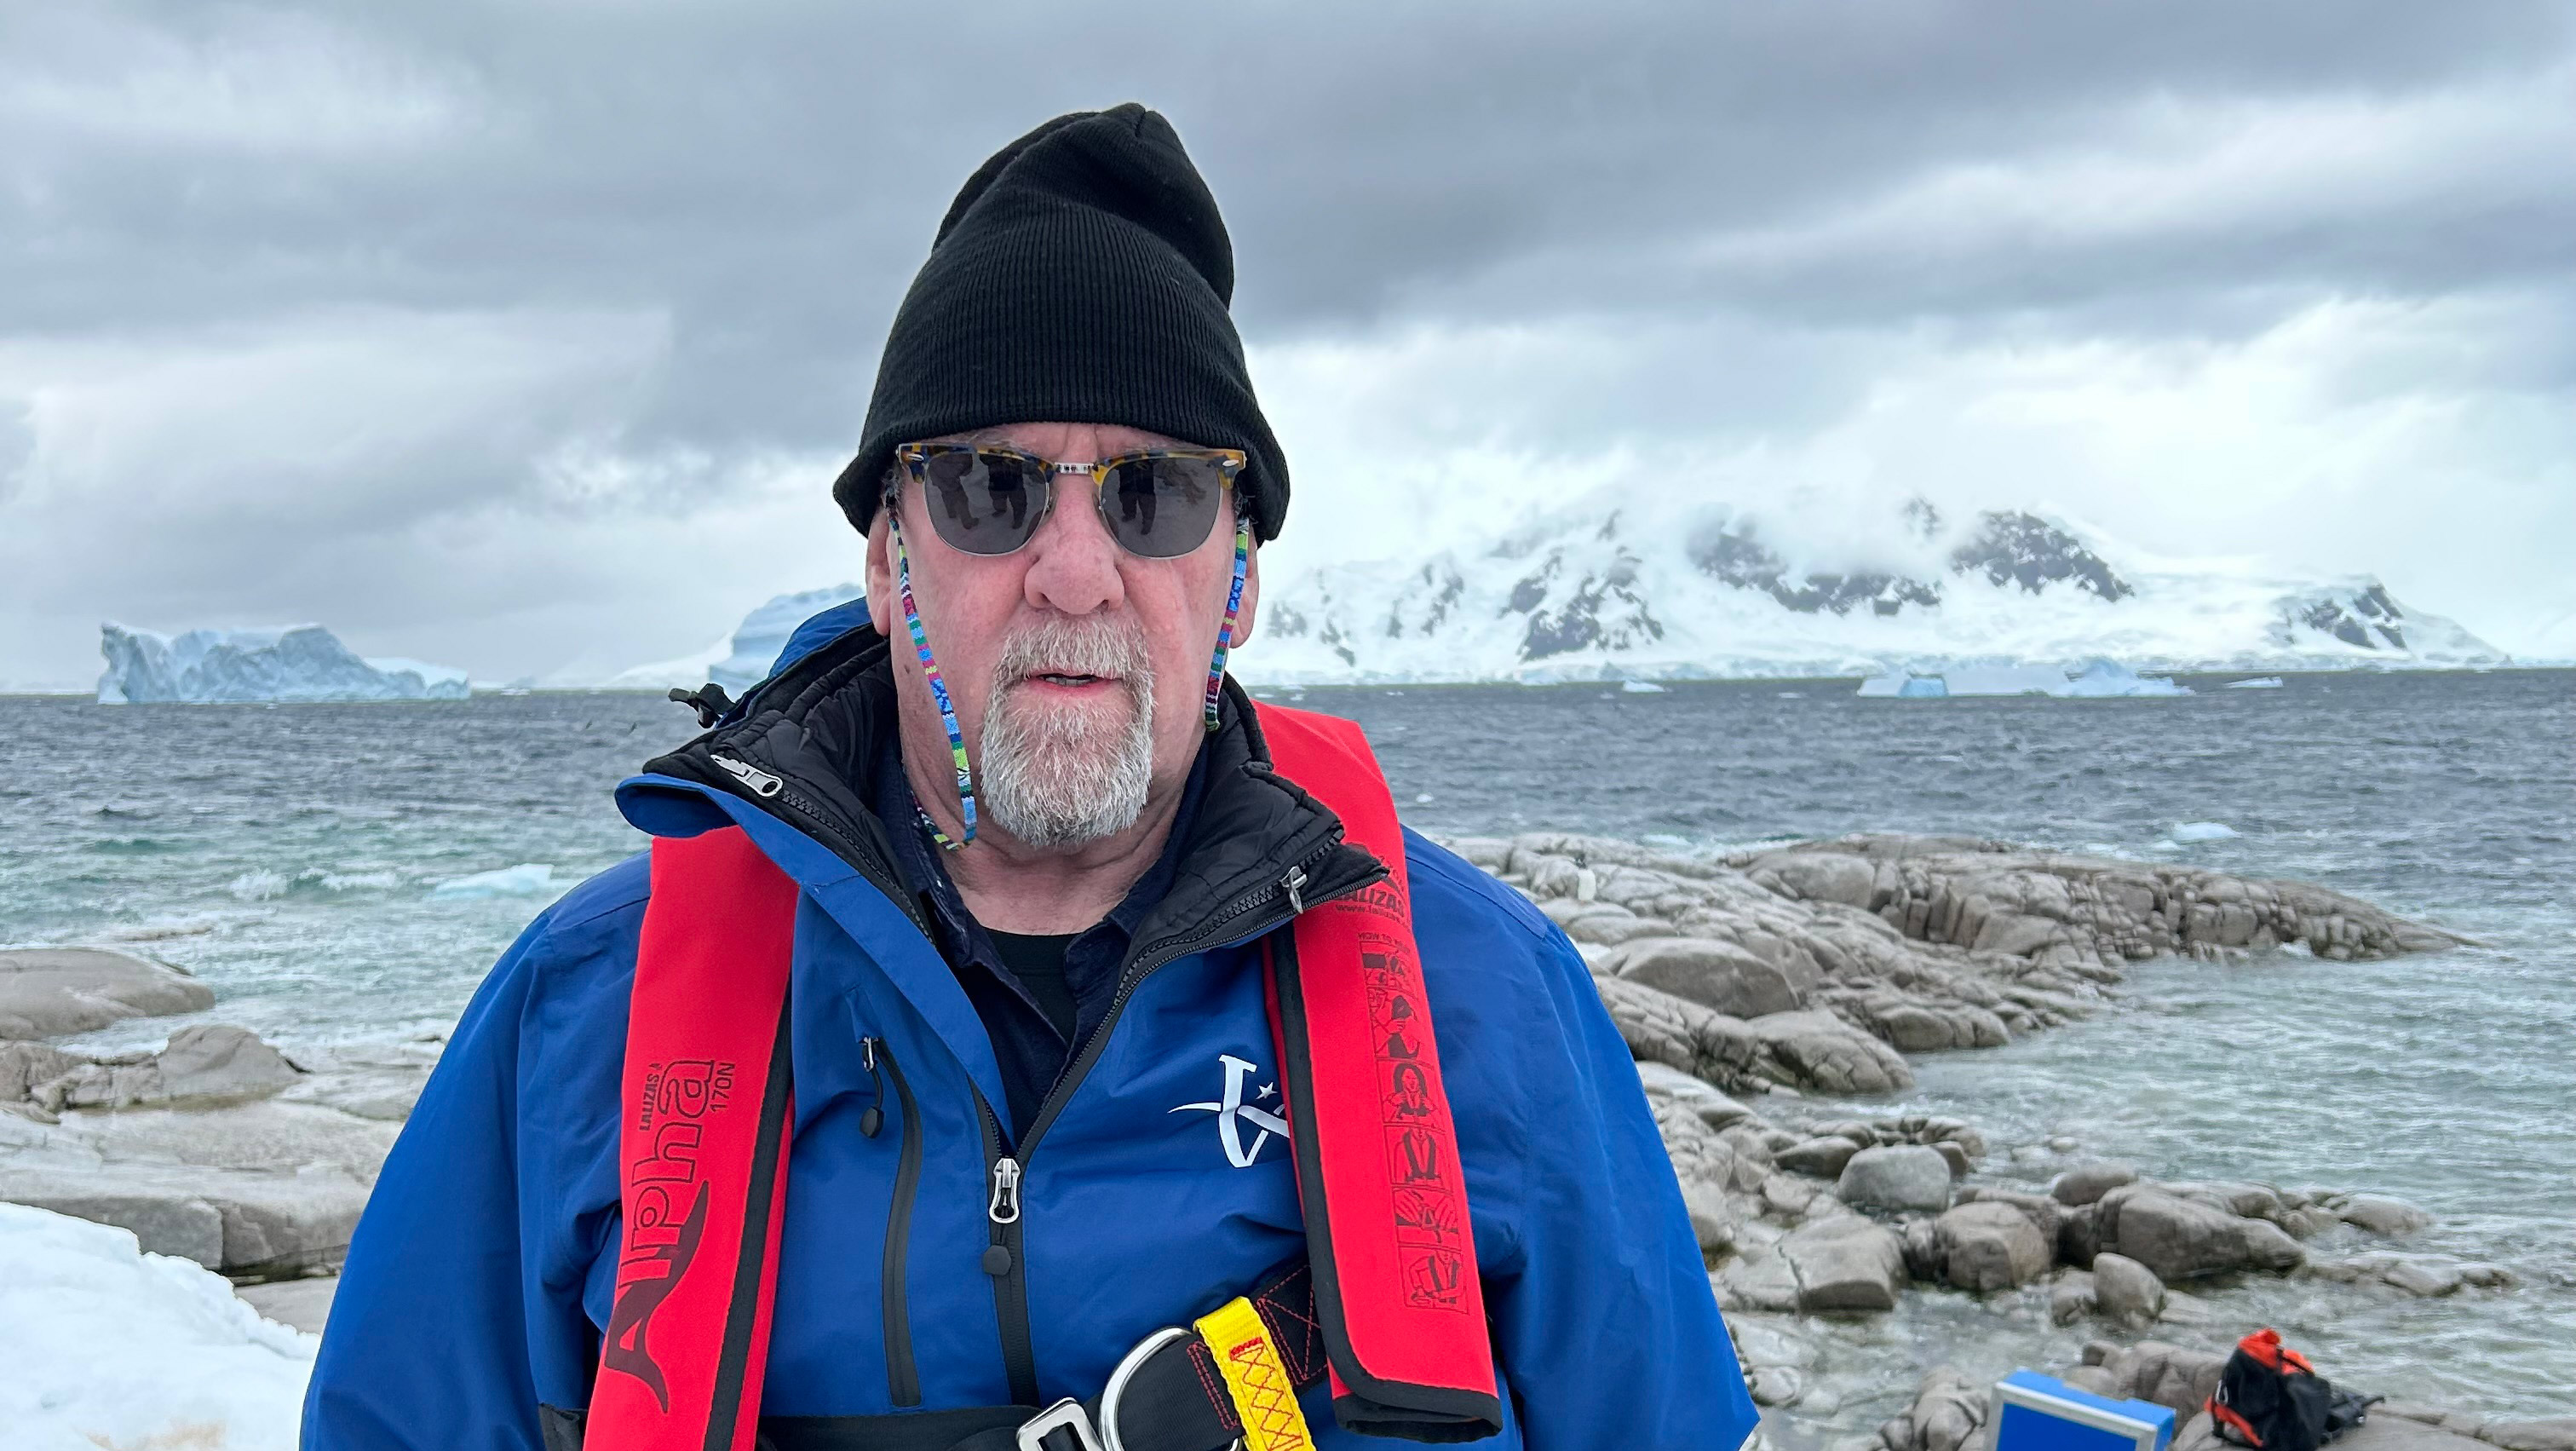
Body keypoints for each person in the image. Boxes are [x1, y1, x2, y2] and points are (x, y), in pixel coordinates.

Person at [304, 103, 1757, 1451]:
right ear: (889, 555)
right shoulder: (586, 1011)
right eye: (990, 488)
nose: (1076, 574)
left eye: (1157, 491)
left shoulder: (1486, 1001)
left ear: (1238, 572)